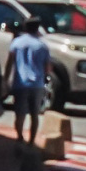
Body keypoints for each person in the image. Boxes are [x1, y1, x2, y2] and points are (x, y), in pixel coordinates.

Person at [7, 18, 52, 148]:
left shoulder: (16, 43)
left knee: (19, 114)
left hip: (20, 83)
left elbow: (10, 63)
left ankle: (20, 137)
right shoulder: (42, 46)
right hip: (36, 84)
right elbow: (47, 68)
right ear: (37, 28)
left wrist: (5, 79)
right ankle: (31, 141)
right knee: (34, 114)